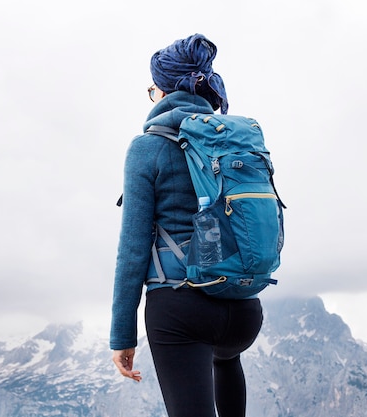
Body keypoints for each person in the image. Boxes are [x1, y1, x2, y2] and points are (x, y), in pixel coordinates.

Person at [110, 33, 264, 417]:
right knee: (226, 360)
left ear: (163, 90)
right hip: (243, 308)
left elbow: (132, 249)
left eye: (153, 89)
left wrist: (122, 337)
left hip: (181, 310)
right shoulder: (234, 142)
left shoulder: (147, 148)